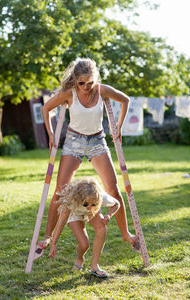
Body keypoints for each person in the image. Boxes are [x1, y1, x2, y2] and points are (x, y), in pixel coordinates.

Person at [40, 57, 139, 253]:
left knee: (113, 189)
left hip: (97, 141)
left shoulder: (102, 90)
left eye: (89, 82)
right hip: (73, 142)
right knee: (60, 191)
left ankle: (127, 234)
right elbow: (46, 108)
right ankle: (47, 237)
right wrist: (51, 134)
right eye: (81, 83)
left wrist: (118, 126)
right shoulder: (69, 93)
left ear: (95, 79)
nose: (86, 87)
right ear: (76, 81)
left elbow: (125, 99)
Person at [48, 177, 120, 278]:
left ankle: (94, 266)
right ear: (79, 199)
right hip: (75, 212)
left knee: (102, 228)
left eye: (92, 203)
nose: (89, 206)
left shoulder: (99, 197)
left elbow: (117, 204)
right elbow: (61, 221)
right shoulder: (71, 201)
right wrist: (53, 244)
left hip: (93, 212)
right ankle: (80, 258)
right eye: (86, 204)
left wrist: (109, 215)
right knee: (84, 244)